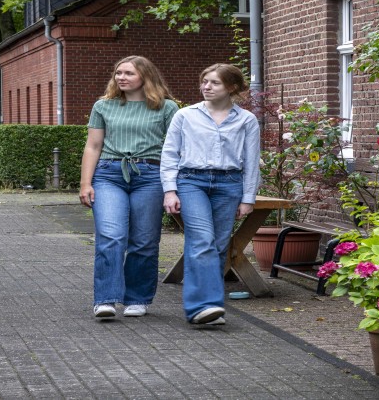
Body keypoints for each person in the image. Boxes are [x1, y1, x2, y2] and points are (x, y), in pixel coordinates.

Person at [79, 55, 179, 320]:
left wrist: (173, 186)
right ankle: (106, 299)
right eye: (118, 73)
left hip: (150, 175)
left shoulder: (167, 108)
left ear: (145, 77)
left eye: (128, 74)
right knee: (111, 236)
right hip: (109, 175)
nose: (121, 78)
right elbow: (93, 146)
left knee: (144, 241)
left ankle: (137, 298)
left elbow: (175, 149)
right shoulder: (104, 106)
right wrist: (85, 183)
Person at [160, 63, 261, 326]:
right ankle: (205, 305)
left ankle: (202, 310)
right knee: (202, 240)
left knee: (215, 246)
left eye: (214, 83)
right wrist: (170, 190)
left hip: (229, 184)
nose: (206, 87)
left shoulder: (246, 120)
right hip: (191, 181)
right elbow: (169, 154)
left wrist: (248, 197)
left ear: (232, 87)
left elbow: (252, 161)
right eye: (204, 81)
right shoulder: (185, 116)